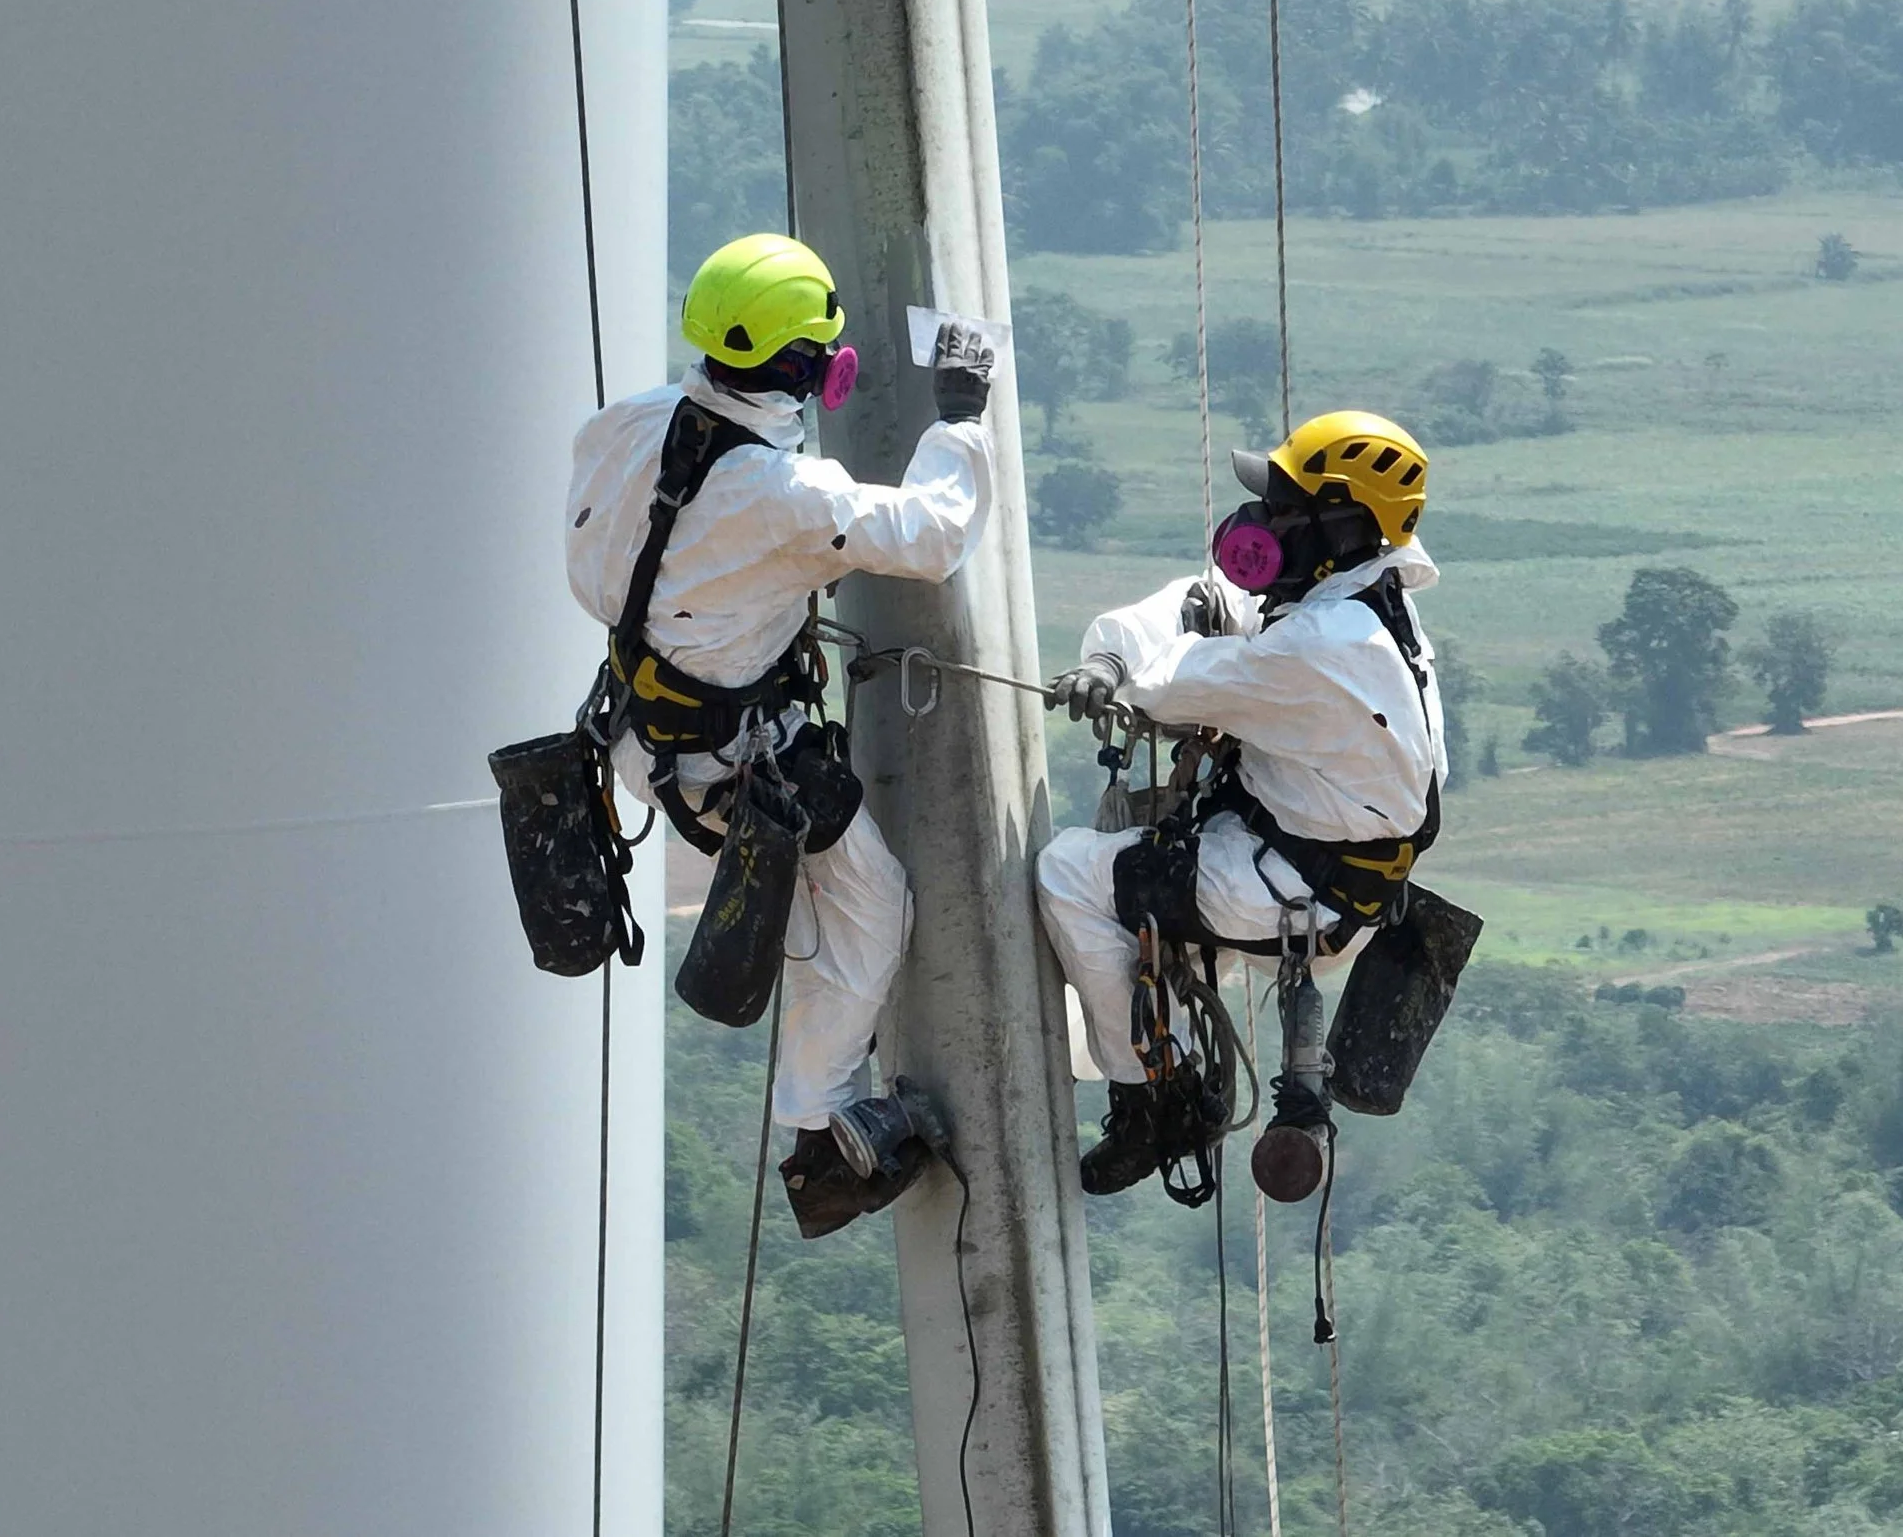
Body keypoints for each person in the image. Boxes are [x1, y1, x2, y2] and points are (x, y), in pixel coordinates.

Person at [565, 232, 997, 1237]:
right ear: (813, 369)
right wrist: (961, 423)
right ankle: (814, 1138)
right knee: (871, 907)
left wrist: (713, 604)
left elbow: (594, 570)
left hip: (637, 736)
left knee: (828, 909)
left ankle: (819, 1119)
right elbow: (932, 536)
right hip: (735, 764)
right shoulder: (784, 497)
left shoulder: (622, 427)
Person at [1033, 411, 1447, 1195]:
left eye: (1284, 502)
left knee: (1069, 874)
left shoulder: (1317, 648)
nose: (1262, 521)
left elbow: (1168, 682)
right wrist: (1112, 649)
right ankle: (1160, 1057)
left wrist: (1112, 665)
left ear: (1339, 523)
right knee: (1135, 904)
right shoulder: (1369, 608)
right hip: (1327, 878)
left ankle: (1151, 1100)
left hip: (1292, 896)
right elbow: (1208, 597)